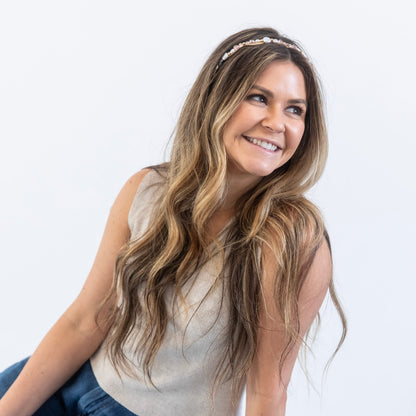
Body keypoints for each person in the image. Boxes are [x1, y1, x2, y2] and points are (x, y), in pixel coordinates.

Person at [0, 27, 346, 416]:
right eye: (258, 98)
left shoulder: (291, 239)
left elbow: (268, 392)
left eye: (295, 109)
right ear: (216, 99)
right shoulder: (146, 190)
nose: (276, 122)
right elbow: (86, 321)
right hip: (67, 385)